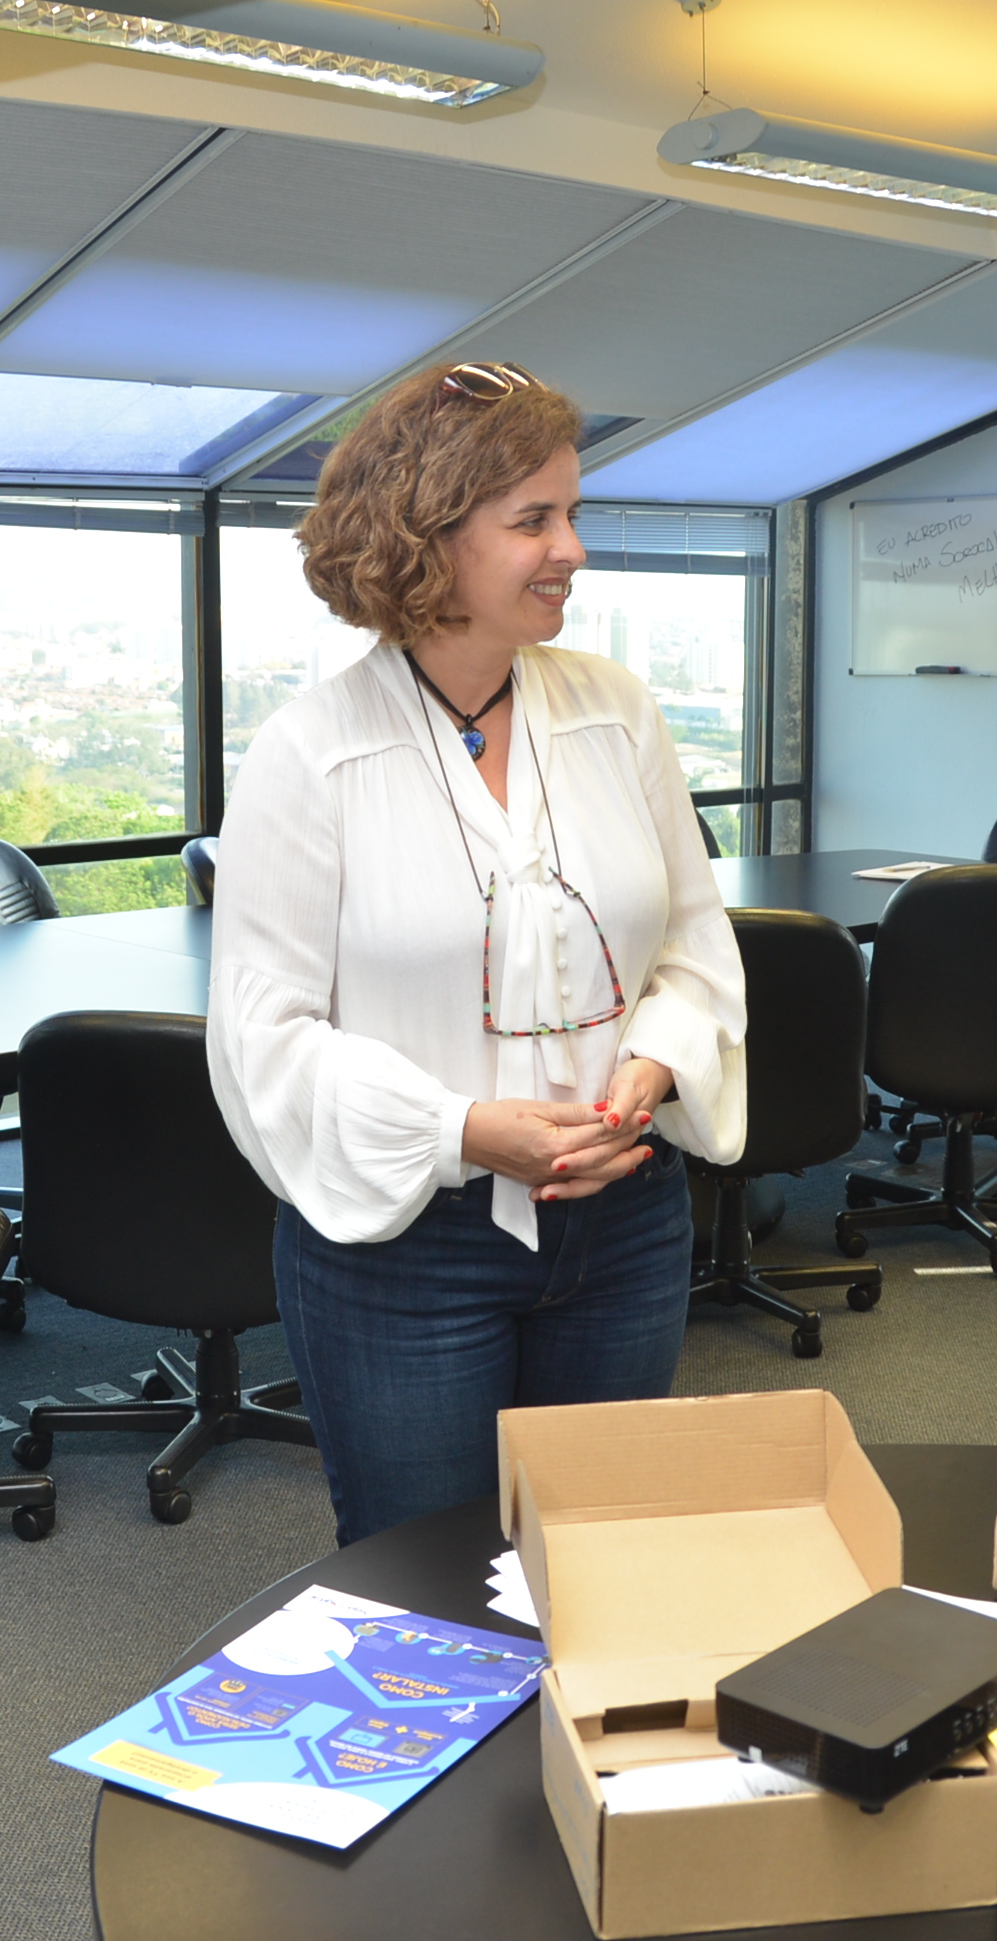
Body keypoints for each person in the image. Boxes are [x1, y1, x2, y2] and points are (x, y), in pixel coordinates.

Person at [208, 360, 748, 1545]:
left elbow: (692, 940)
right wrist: (460, 1130)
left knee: (601, 1559)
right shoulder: (313, 753)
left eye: (572, 513)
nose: (573, 550)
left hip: (626, 1219)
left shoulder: (617, 711)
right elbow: (262, 1039)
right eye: (533, 520)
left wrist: (651, 1068)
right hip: (407, 1245)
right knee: (429, 1583)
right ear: (427, 535)